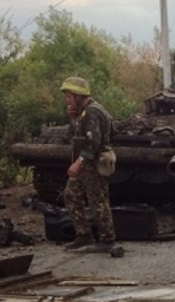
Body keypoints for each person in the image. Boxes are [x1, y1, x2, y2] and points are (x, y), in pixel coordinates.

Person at [59, 76, 117, 253]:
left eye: (69, 96)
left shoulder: (93, 111)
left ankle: (107, 239)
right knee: (71, 195)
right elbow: (76, 136)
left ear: (78, 95)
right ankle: (83, 235)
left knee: (98, 201)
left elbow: (94, 142)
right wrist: (72, 118)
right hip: (85, 165)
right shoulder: (83, 113)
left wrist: (79, 163)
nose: (67, 100)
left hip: (92, 164)